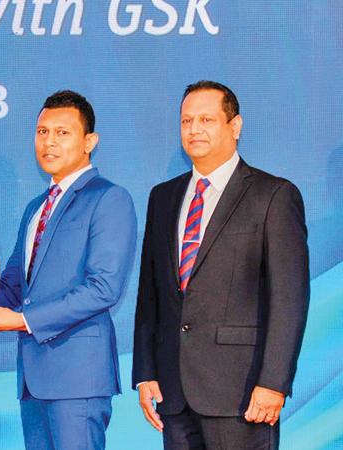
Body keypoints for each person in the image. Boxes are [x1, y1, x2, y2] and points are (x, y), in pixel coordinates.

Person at [132, 80, 310, 449]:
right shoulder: (162, 198)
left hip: (242, 394)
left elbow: (289, 300)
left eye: (206, 120)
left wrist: (274, 382)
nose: (194, 129)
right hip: (174, 393)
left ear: (235, 126)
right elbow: (150, 294)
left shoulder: (273, 195)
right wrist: (146, 371)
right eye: (186, 121)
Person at [0, 90, 137, 450]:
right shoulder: (36, 207)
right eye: (42, 132)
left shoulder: (109, 199)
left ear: (89, 141)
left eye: (62, 133)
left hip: (77, 380)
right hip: (34, 379)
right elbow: (14, 287)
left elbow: (103, 287)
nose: (49, 141)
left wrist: (21, 320)